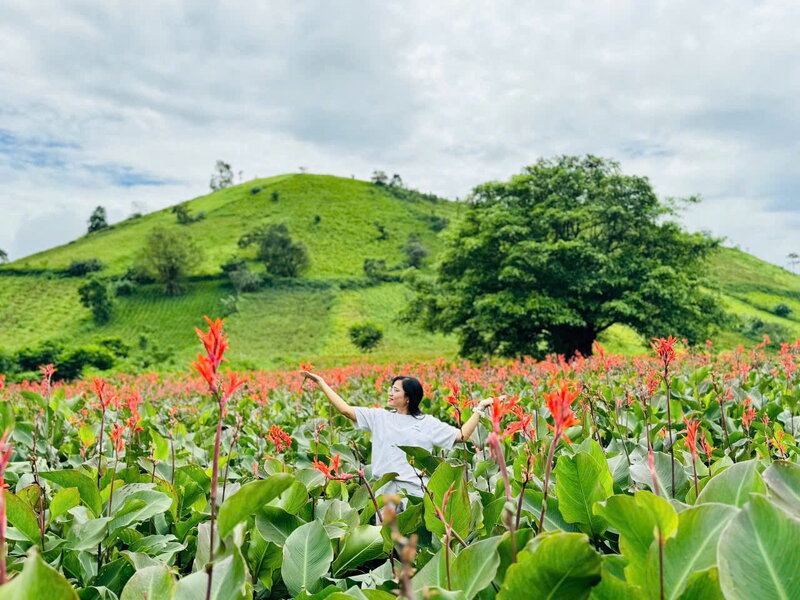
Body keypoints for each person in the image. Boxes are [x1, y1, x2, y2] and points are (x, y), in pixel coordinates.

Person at [301, 370, 493, 509]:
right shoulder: (379, 417)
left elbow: (461, 436)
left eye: (395, 390)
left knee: (412, 545)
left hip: (415, 492)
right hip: (385, 491)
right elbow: (345, 410)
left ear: (408, 397)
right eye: (390, 389)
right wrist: (321, 383)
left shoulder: (427, 423)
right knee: (390, 549)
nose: (390, 394)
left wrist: (480, 409)